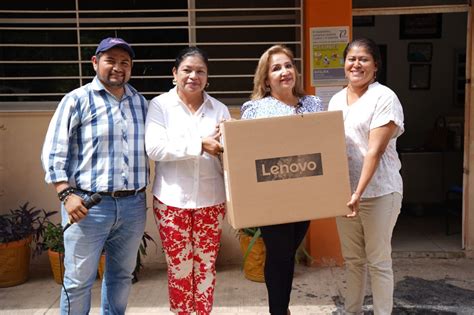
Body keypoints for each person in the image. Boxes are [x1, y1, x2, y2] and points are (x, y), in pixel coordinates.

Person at [41, 37, 148, 315]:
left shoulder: (141, 103)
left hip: (132, 205)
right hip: (87, 207)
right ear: (95, 62)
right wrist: (65, 193)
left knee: (122, 277)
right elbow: (54, 151)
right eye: (110, 60)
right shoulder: (77, 100)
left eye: (124, 62)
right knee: (78, 282)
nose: (118, 67)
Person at [145, 46, 230, 315]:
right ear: (174, 73)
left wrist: (226, 145)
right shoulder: (160, 105)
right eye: (187, 70)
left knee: (205, 268)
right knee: (179, 268)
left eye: (200, 71)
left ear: (207, 76)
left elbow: (232, 155)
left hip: (211, 201)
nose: (194, 76)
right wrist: (201, 144)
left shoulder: (219, 109)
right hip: (171, 202)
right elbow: (155, 148)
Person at [241, 45, 323, 315]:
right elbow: (246, 153)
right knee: (278, 255)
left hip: (305, 194)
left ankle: (282, 308)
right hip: (272, 196)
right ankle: (279, 310)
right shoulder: (254, 109)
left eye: (288, 65)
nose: (284, 71)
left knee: (289, 253)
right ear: (265, 79)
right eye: (276, 68)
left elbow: (322, 144)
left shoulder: (313, 104)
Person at [328, 38, 404, 315]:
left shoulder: (384, 97)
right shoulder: (336, 100)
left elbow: (374, 150)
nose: (356, 64)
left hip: (379, 192)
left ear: (375, 66)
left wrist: (357, 194)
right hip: (345, 195)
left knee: (379, 261)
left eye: (364, 59)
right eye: (351, 59)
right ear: (344, 63)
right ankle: (352, 311)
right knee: (353, 260)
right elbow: (329, 148)